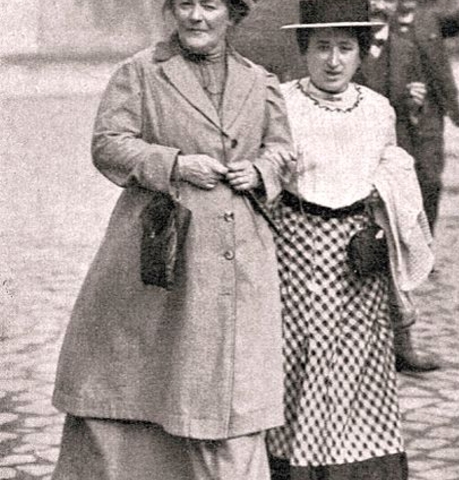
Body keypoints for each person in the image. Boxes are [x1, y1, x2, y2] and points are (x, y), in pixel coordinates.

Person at [51, 1, 293, 479]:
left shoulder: (260, 81)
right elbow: (109, 144)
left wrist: (262, 169)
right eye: (185, 3)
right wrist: (175, 164)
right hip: (160, 252)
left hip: (237, 253)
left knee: (228, 388)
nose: (196, 17)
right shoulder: (140, 72)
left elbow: (283, 149)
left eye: (211, 5)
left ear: (234, 14)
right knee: (142, 376)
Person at [266, 0, 434, 478]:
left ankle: (356, 468)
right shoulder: (282, 102)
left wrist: (384, 205)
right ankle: (293, 466)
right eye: (322, 47)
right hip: (294, 249)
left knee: (357, 365)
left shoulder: (377, 108)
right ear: (305, 51)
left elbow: (391, 168)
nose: (333, 60)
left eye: (345, 47)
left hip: (358, 256)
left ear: (361, 54)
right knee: (299, 360)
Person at [361, 0, 439, 374]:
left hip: (394, 160)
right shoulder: (349, 44)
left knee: (398, 247)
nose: (381, 4)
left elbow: (413, 108)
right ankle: (363, 345)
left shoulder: (406, 47)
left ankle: (403, 341)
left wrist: (415, 103)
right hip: (356, 161)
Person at [393, 0, 459, 232]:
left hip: (429, 113)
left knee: (430, 178)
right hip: (393, 114)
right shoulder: (378, 23)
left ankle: (425, 242)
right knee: (397, 180)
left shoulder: (430, 20)